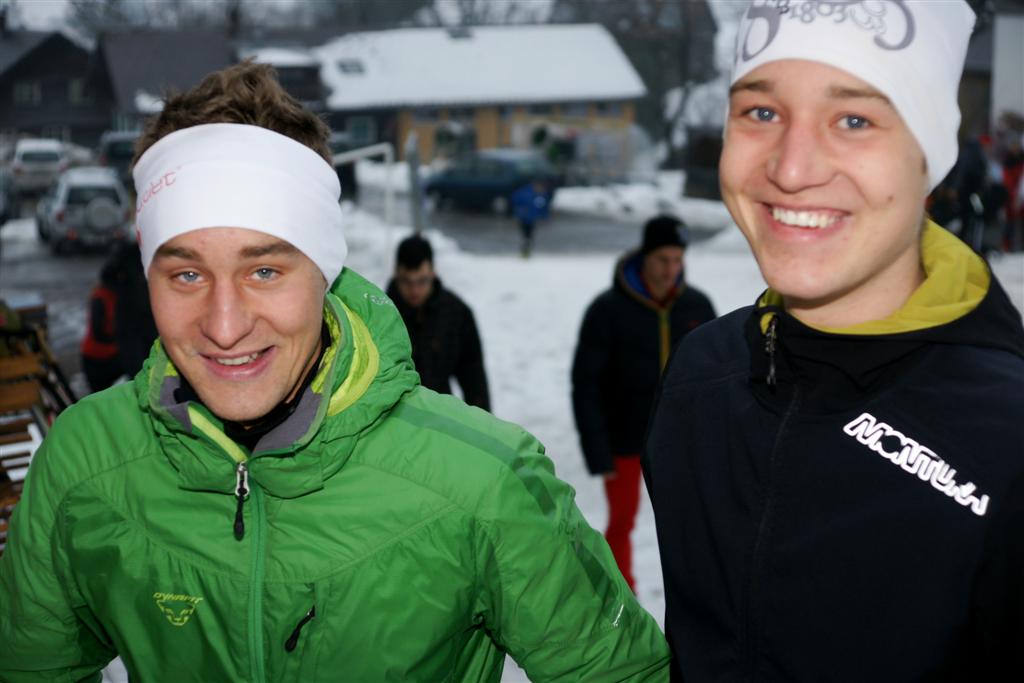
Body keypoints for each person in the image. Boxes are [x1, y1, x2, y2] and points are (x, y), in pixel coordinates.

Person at [0, 62, 671, 680]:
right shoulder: (83, 462)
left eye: (265, 270)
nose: (225, 325)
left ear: (324, 271)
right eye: (186, 274)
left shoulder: (482, 481)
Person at [643, 2, 1024, 680]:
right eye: (762, 111)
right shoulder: (701, 378)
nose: (792, 169)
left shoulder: (1006, 439)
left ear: (929, 156)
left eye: (854, 120)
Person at [572, 215, 715, 591]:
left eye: (678, 260)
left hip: (682, 440)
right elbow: (585, 384)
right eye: (663, 259)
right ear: (644, 257)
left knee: (691, 522)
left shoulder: (697, 306)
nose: (671, 269)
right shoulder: (607, 310)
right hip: (623, 439)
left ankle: (698, 594)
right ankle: (623, 596)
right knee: (623, 521)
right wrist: (597, 451)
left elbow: (718, 377)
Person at [386, 233, 490, 411]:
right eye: (406, 281)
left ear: (433, 272)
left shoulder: (457, 314)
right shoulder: (382, 314)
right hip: (393, 417)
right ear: (396, 273)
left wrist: (483, 424)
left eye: (422, 281)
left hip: (439, 416)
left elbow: (474, 381)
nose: (414, 290)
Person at [79, 257, 122, 393]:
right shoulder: (101, 297)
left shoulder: (120, 295)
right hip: (96, 359)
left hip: (113, 355)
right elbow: (99, 333)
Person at [511, 177, 551, 257]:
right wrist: (519, 210)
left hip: (531, 219)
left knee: (529, 235)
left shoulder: (541, 195)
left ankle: (526, 248)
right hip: (524, 218)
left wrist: (544, 217)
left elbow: (543, 207)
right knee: (526, 234)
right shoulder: (525, 193)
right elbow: (515, 199)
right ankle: (525, 249)